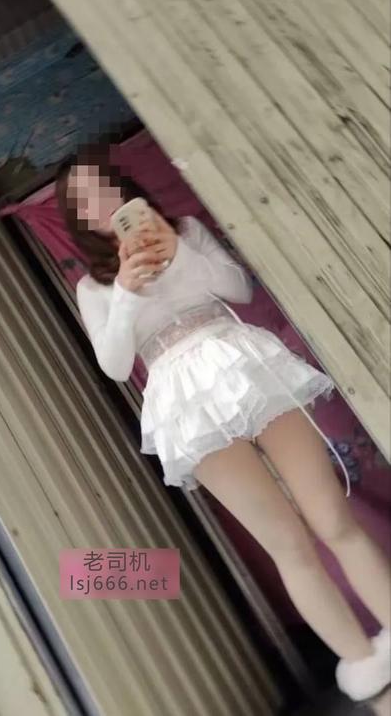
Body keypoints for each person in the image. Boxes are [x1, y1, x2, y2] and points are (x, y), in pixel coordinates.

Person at [55, 146, 391, 703]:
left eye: (104, 187)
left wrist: (178, 253)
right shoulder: (94, 288)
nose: (101, 202)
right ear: (79, 218)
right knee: (288, 544)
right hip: (183, 404)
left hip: (247, 367)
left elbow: (239, 289)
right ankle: (365, 669)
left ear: (123, 189)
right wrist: (128, 293)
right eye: (85, 200)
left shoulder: (185, 231)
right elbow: (114, 365)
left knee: (333, 516)